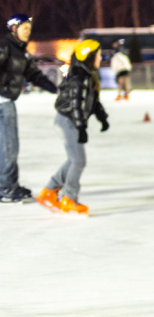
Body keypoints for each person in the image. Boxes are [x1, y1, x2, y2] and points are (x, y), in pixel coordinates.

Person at [36, 40, 109, 215]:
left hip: (70, 120)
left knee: (73, 159)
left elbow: (92, 101)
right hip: (68, 120)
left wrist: (102, 117)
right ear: (89, 56)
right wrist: (81, 127)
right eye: (98, 54)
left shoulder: (86, 74)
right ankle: (69, 198)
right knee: (78, 160)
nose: (101, 57)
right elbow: (76, 104)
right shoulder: (79, 76)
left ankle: (49, 191)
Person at [0, 14, 58, 203]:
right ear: (14, 29)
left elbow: (33, 74)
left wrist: (54, 88)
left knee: (9, 146)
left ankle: (9, 184)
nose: (28, 32)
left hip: (7, 101)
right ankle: (6, 187)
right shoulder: (4, 46)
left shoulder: (22, 51)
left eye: (29, 29)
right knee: (9, 146)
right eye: (24, 28)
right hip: (2, 101)